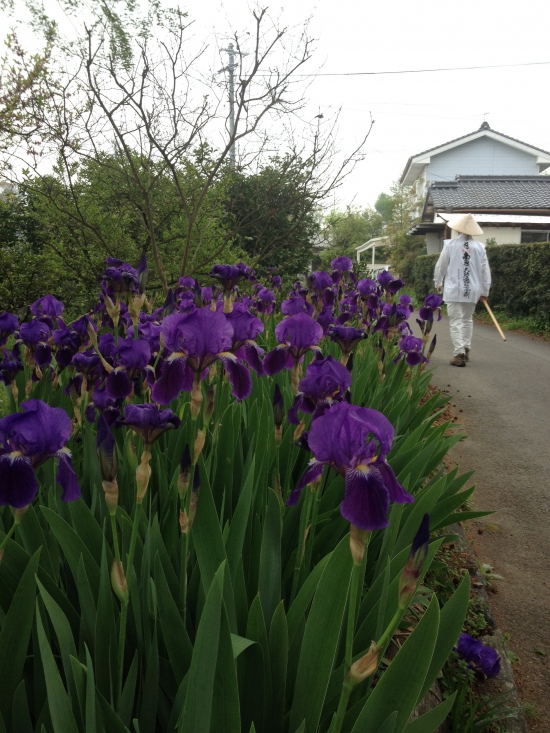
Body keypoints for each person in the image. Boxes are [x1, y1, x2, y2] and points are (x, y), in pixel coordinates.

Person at [433, 213, 491, 367]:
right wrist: (485, 291)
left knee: (456, 321)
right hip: (473, 290)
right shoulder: (480, 247)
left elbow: (441, 266)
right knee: (467, 320)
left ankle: (459, 354)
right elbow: (485, 271)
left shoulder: (451, 245)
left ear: (458, 230)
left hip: (454, 289)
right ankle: (466, 348)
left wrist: (437, 282)